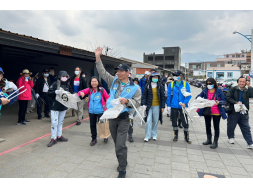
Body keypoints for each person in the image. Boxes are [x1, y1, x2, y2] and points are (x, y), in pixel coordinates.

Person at [95, 47, 141, 178]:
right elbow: (102, 72)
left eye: (121, 71)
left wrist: (127, 101)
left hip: (124, 118)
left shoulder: (135, 88)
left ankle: (122, 169)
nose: (118, 73)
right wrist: (98, 57)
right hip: (112, 116)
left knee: (120, 144)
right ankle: (124, 161)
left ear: (128, 73)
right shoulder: (114, 82)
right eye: (117, 71)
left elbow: (137, 103)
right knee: (117, 143)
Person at [196, 78, 227, 149]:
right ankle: (209, 140)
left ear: (214, 84)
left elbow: (224, 100)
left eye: (210, 84)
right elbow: (198, 97)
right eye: (207, 84)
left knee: (216, 127)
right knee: (207, 126)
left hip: (216, 112)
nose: (209, 85)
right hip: (207, 111)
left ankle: (215, 142)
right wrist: (202, 100)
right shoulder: (205, 91)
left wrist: (219, 102)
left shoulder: (219, 91)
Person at [78, 76, 110, 145]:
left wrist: (109, 106)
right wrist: (81, 93)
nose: (94, 83)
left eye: (95, 81)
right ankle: (93, 139)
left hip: (101, 111)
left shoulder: (102, 90)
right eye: (92, 81)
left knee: (103, 124)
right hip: (91, 112)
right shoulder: (89, 90)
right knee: (92, 125)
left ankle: (105, 136)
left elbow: (107, 98)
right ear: (90, 83)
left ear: (98, 82)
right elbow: (80, 92)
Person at [47, 71, 73, 147]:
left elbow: (70, 93)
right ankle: (53, 138)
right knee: (54, 123)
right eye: (63, 76)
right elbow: (49, 93)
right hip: (55, 107)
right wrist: (55, 92)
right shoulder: (55, 84)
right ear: (59, 77)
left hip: (63, 107)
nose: (64, 77)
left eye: (66, 76)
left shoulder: (68, 84)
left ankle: (59, 136)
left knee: (60, 122)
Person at [226, 76, 253, 149]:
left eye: (243, 82)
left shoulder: (247, 90)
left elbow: (252, 95)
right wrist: (235, 102)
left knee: (246, 127)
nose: (242, 83)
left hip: (243, 112)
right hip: (233, 111)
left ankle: (250, 143)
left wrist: (249, 86)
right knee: (231, 125)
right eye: (240, 81)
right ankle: (231, 137)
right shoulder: (233, 89)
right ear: (238, 82)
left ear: (246, 82)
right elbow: (228, 97)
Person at [167, 70, 192, 144]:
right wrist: (168, 106)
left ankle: (186, 137)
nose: (174, 77)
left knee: (185, 122)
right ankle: (175, 136)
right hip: (174, 105)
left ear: (180, 76)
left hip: (183, 106)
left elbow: (188, 95)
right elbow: (169, 95)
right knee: (174, 121)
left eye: (176, 75)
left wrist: (185, 103)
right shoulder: (171, 84)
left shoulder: (185, 84)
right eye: (174, 75)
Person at [141, 72, 165, 142]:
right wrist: (143, 105)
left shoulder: (160, 86)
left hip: (157, 106)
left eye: (156, 77)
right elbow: (144, 96)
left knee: (155, 121)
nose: (155, 78)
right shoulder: (147, 85)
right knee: (148, 121)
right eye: (154, 77)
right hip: (149, 106)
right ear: (151, 78)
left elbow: (163, 97)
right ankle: (147, 136)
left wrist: (163, 106)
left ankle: (154, 135)